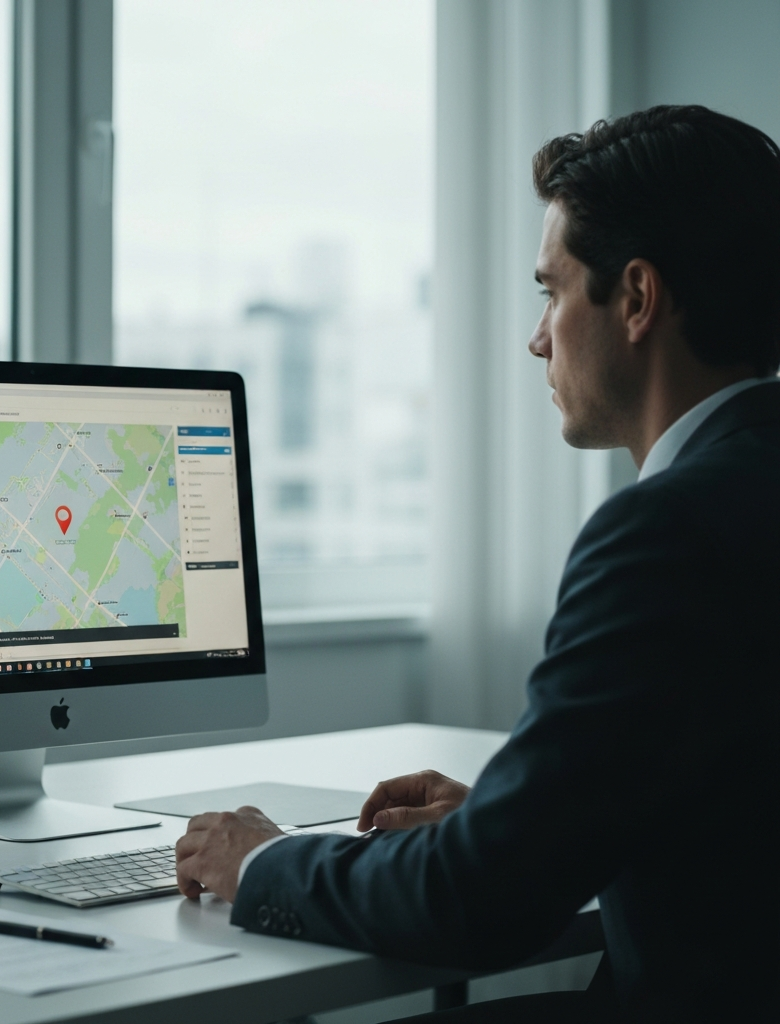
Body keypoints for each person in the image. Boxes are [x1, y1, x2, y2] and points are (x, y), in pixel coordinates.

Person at [174, 106, 780, 1023]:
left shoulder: (663, 534)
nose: (539, 338)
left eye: (552, 292)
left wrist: (261, 859)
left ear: (638, 299)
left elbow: (475, 904)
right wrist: (523, 818)